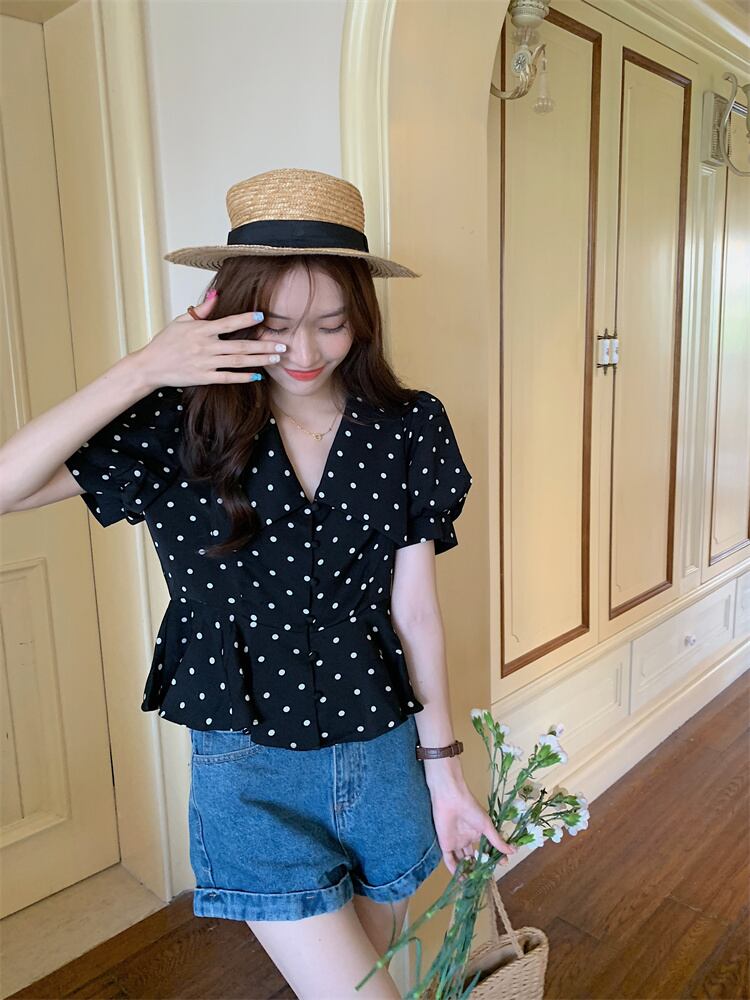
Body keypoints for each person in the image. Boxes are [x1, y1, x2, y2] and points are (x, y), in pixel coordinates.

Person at [0, 168, 515, 999]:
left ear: (362, 317)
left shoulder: (408, 424)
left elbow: (415, 611)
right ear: (231, 313)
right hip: (250, 767)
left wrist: (444, 772)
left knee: (384, 976)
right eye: (275, 327)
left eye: (332, 324)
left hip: (382, 752)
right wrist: (146, 367)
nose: (305, 354)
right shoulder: (178, 424)